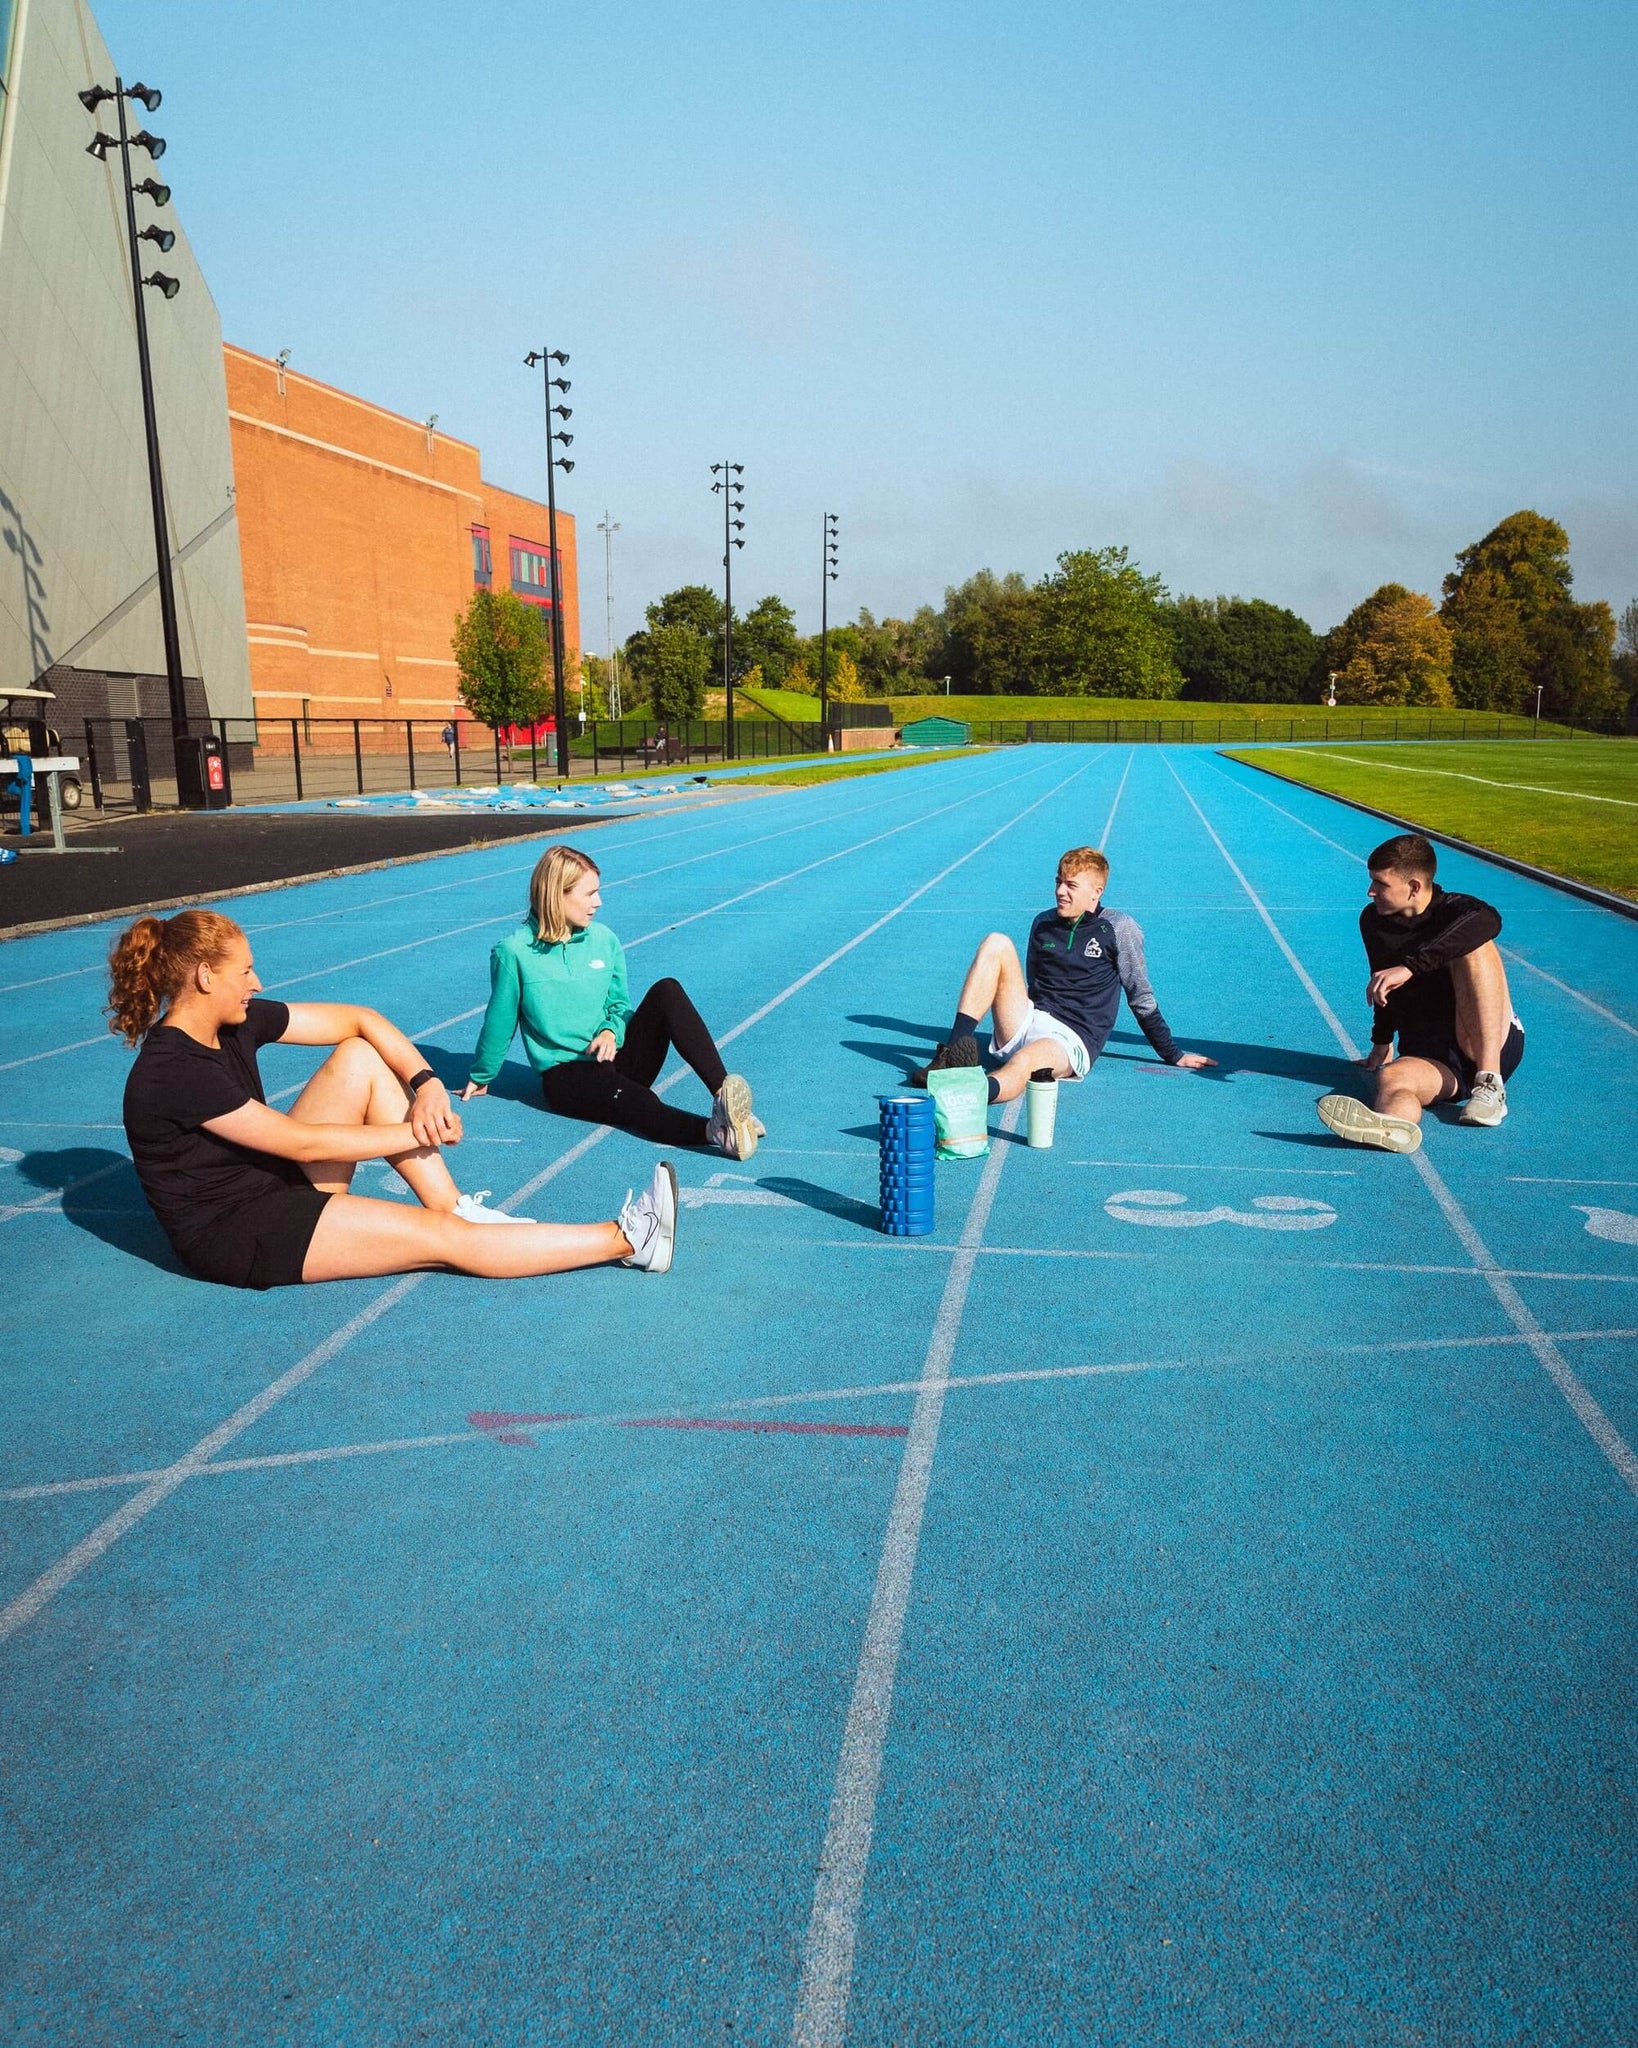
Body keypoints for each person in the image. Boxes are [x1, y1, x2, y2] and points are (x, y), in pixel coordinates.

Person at [111, 908, 676, 1289]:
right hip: (239, 1234)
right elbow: (299, 1141)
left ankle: (454, 1205)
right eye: (246, 970)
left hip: (271, 1183)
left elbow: (361, 1019)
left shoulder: (233, 1023)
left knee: (358, 1054)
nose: (257, 982)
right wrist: (416, 1131)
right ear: (206, 977)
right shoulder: (174, 1070)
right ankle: (628, 1239)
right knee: (446, 1243)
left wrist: (427, 1084)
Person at [461, 844, 762, 1156]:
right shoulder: (514, 952)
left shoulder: (604, 940)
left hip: (614, 1057)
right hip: (568, 1075)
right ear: (557, 894)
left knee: (667, 991)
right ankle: (716, 1132)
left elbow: (619, 1006)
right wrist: (481, 1076)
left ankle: (723, 1098)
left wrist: (610, 1032)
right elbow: (500, 1022)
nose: (598, 902)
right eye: (589, 894)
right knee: (638, 1101)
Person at [911, 845, 1216, 1100]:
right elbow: (1032, 982)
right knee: (996, 942)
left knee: (1027, 1061)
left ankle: (972, 1095)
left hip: (1071, 1039)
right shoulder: (1042, 923)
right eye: (1058, 882)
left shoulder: (1120, 928)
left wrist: (1172, 1054)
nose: (1060, 891)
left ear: (1096, 892)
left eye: (1071, 886)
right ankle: (950, 1057)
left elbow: (1141, 997)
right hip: (1029, 1019)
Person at [1317, 833, 1523, 1155]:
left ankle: (1489, 1086)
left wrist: (1411, 967)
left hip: (1485, 1042)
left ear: (1414, 887)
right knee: (1392, 1081)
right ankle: (1394, 1127)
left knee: (1475, 947)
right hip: (1433, 1057)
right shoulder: (1374, 920)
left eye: (1380, 884)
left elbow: (1489, 920)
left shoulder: (1457, 910)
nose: (1370, 892)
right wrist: (1382, 1042)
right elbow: (1383, 982)